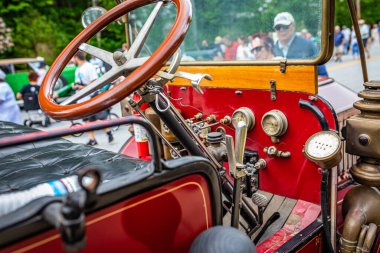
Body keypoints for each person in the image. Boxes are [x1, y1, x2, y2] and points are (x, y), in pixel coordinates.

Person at [72, 51, 114, 146]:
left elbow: (95, 82)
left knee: (92, 120)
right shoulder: (77, 69)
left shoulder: (89, 67)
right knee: (89, 120)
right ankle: (99, 136)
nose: (72, 60)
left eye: (73, 58)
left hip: (90, 97)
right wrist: (75, 86)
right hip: (82, 98)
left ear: (76, 58)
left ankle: (101, 135)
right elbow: (79, 82)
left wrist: (83, 87)